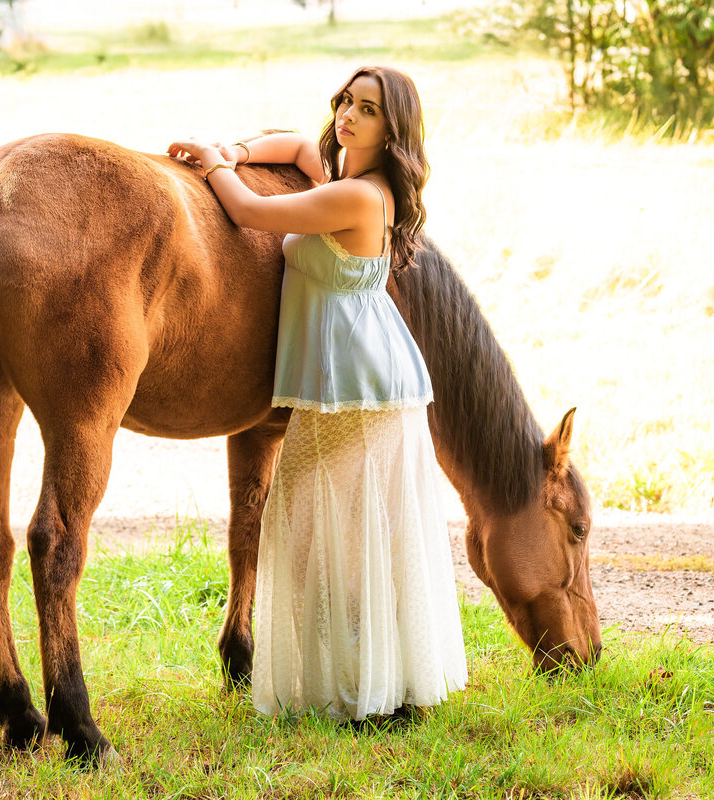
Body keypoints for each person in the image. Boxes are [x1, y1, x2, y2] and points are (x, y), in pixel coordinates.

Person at [167, 66, 467, 721]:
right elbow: (300, 146)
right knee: (329, 530)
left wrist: (215, 164)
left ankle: (373, 694)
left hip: (361, 390)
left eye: (368, 110)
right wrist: (240, 150)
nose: (348, 117)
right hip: (349, 384)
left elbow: (248, 212)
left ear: (393, 130)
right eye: (346, 102)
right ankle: (368, 688)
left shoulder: (360, 198)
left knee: (334, 531)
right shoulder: (345, 181)